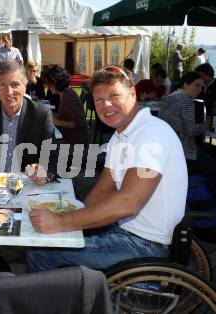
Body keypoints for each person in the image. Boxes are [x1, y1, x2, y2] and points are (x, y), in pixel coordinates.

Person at [26, 65, 188, 272]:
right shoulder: (120, 137)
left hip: (147, 245)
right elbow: (101, 193)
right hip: (125, 231)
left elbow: (129, 202)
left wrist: (61, 223)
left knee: (41, 252)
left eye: (114, 95)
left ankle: (54, 303)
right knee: (50, 239)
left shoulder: (152, 134)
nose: (106, 105)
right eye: (99, 100)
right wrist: (66, 222)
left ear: (132, 93)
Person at [0, 60, 58, 271]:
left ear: (25, 86)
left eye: (15, 84)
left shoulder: (40, 114)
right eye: (2, 85)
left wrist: (43, 171)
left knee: (37, 228)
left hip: (25, 186)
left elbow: (52, 155)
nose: (9, 92)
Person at [158, 71, 209, 174]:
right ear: (185, 84)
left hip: (166, 147)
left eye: (201, 86)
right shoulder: (186, 101)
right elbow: (191, 131)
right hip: (183, 152)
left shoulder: (171, 96)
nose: (200, 89)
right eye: (197, 85)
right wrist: (204, 126)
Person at [44, 65, 88, 146]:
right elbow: (64, 116)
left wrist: (58, 122)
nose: (48, 87)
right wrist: (50, 114)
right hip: (68, 138)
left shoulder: (68, 97)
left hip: (75, 143)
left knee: (41, 148)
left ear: (55, 82)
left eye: (49, 84)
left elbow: (81, 123)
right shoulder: (64, 94)